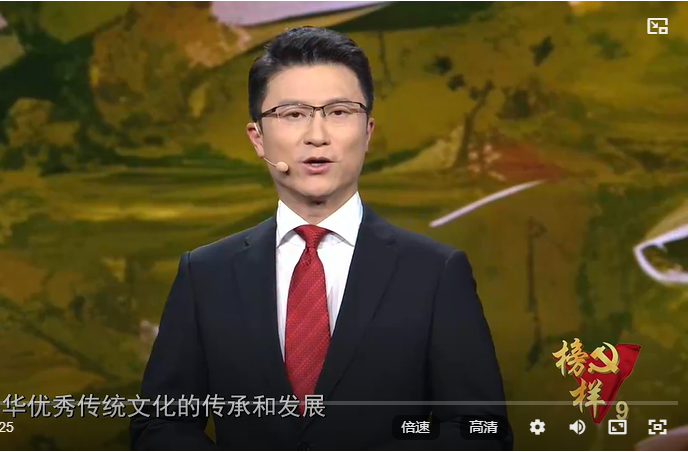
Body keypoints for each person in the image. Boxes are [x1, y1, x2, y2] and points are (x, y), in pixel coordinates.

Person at [130, 26, 512, 451]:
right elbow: (160, 425)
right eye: (293, 114)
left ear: (367, 131)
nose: (317, 135)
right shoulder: (205, 274)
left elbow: (481, 430)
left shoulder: (435, 273)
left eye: (339, 111)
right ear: (258, 138)